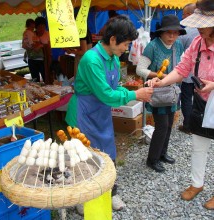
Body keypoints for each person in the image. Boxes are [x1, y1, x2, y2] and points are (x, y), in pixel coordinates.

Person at [65, 15, 153, 211]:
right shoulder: (91, 59)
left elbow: (114, 88)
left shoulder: (113, 58)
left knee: (108, 153)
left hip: (101, 113)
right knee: (84, 157)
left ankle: (111, 193)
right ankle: (83, 198)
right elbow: (105, 94)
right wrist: (134, 94)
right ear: (113, 40)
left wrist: (134, 92)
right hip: (84, 114)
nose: (127, 49)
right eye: (126, 44)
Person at [146, 0, 214, 209]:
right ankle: (197, 183)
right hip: (202, 103)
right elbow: (182, 68)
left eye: (204, 24)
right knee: (198, 146)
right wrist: (161, 81)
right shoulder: (197, 43)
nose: (200, 29)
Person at [136, 14, 185, 172]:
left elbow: (182, 66)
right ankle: (152, 159)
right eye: (168, 33)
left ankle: (162, 153)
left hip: (172, 91)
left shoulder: (178, 46)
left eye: (175, 33)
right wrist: (161, 76)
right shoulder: (153, 46)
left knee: (170, 123)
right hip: (157, 92)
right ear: (161, 33)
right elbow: (140, 69)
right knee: (162, 126)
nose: (172, 36)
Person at [178, 3, 199, 134]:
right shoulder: (204, 30)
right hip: (201, 75)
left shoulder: (185, 32)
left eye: (184, 14)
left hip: (187, 74)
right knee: (198, 100)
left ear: (190, 15)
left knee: (186, 100)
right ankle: (198, 124)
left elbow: (178, 51)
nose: (182, 17)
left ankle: (188, 125)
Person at [26, 17, 50, 83]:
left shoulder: (47, 34)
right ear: (36, 27)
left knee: (46, 78)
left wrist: (42, 46)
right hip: (32, 60)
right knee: (35, 79)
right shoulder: (31, 34)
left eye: (43, 27)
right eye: (39, 27)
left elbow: (50, 48)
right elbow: (26, 45)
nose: (42, 29)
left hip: (43, 61)